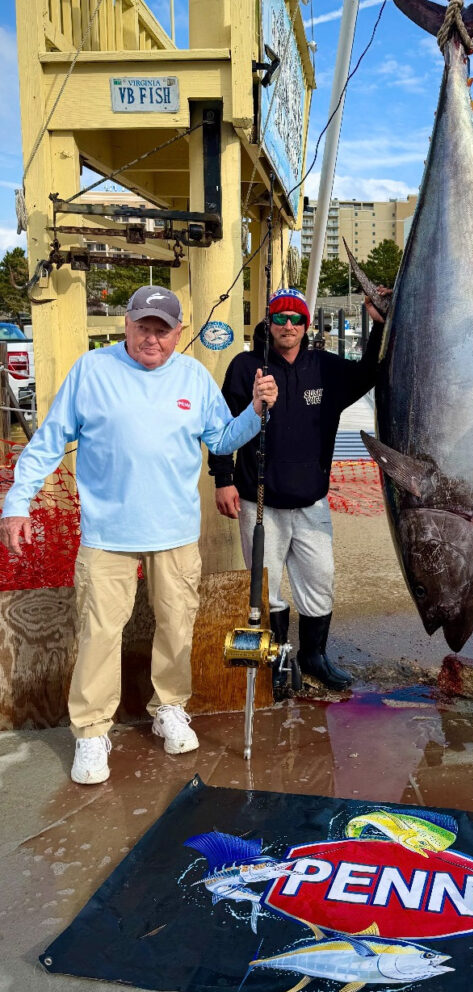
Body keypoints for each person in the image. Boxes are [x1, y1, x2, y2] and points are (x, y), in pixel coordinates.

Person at [0, 285, 278, 785]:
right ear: (126, 324)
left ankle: (169, 706)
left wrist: (255, 412)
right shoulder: (92, 370)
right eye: (143, 326)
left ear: (178, 333)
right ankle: (90, 731)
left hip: (174, 531)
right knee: (99, 633)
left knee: (176, 626)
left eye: (163, 329)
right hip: (106, 533)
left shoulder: (194, 376)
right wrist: (16, 504)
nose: (152, 338)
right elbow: (47, 442)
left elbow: (220, 440)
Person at [209, 287, 384, 690]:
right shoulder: (244, 366)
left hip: (311, 503)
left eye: (296, 318)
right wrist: (223, 479)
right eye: (280, 318)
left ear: (306, 325)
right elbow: (221, 428)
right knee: (266, 587)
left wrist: (376, 325)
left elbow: (369, 373)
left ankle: (314, 656)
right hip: (259, 502)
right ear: (268, 323)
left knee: (319, 581)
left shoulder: (325, 367)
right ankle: (278, 658)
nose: (288, 325)